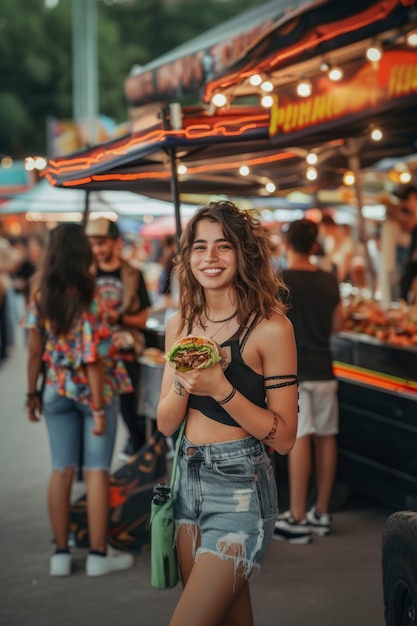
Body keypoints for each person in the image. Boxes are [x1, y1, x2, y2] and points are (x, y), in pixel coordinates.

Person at [157, 201, 298, 626]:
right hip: (186, 482)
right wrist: (186, 379)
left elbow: (285, 437)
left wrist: (221, 388)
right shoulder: (179, 323)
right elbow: (165, 423)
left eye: (224, 246)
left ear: (244, 253)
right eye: (200, 247)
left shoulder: (271, 328)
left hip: (241, 490)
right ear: (187, 257)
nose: (210, 258)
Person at [26, 223, 134, 577]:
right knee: (96, 471)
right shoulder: (90, 299)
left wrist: (32, 393)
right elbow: (92, 358)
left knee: (61, 469)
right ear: (82, 254)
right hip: (93, 394)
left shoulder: (40, 295)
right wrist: (99, 409)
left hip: (55, 390)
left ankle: (60, 553)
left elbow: (33, 353)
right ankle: (98, 556)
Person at [273, 219, 344, 545]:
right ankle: (322, 512)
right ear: (314, 245)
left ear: (287, 244)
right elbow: (337, 325)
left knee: (301, 437)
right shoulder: (330, 279)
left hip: (295, 373)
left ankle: (298, 517)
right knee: (326, 438)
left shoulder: (280, 280)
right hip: (325, 370)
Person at [85, 217, 152, 460]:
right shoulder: (83, 274)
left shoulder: (133, 273)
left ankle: (137, 442)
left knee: (130, 403)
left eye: (101, 243)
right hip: (92, 346)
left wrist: (115, 317)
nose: (96, 250)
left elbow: (143, 320)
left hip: (125, 345)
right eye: (92, 244)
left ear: (116, 242)